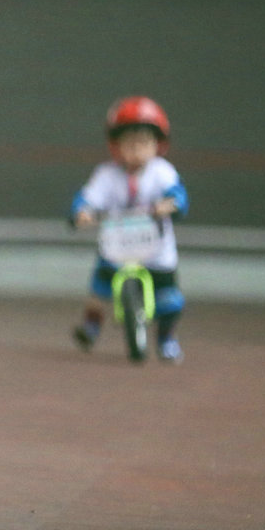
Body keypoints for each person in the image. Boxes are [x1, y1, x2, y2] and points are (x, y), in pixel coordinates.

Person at [70, 97, 189, 362]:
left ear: (157, 145)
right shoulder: (107, 174)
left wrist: (171, 204)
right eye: (129, 143)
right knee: (99, 290)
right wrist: (82, 212)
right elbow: (88, 197)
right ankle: (91, 325)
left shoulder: (162, 172)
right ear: (116, 146)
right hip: (118, 245)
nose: (136, 150)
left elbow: (177, 194)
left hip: (155, 248)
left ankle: (166, 338)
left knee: (170, 301)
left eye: (144, 143)